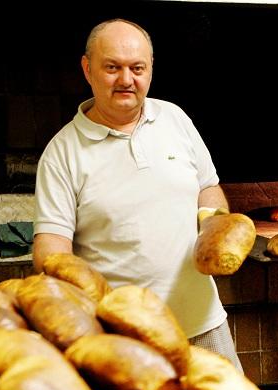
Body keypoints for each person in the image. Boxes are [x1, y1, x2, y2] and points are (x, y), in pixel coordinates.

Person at [32, 18, 242, 371]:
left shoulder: (175, 118)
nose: (126, 80)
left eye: (137, 68)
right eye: (112, 67)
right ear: (88, 69)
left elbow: (208, 188)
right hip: (122, 342)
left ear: (151, 70)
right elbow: (50, 255)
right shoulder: (62, 152)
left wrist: (213, 226)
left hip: (202, 324)